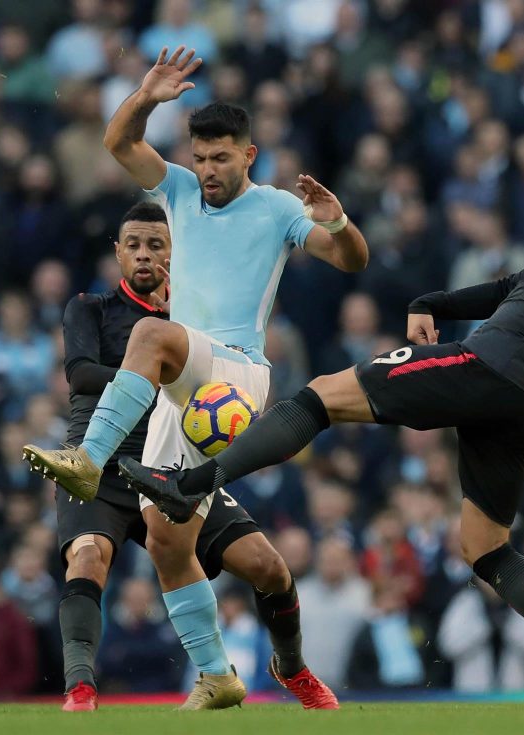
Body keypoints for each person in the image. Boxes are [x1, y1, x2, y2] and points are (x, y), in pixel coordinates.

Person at [120, 112, 524, 708]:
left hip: (491, 367)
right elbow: (517, 288)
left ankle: (190, 483)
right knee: (484, 547)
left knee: (321, 395)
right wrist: (434, 300)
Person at [24, 46, 367, 709]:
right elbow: (118, 140)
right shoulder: (177, 190)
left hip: (236, 375)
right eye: (201, 157)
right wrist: (147, 95)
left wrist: (339, 221)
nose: (208, 170)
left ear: (249, 154)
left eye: (221, 157)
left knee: (152, 334)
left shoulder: (274, 209)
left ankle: (88, 461)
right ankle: (219, 673)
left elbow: (349, 260)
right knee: (170, 540)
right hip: (183, 394)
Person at [48, 203, 334, 711]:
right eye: (133, 244)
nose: (143, 255)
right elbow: (82, 376)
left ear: (176, 253)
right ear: (117, 252)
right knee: (87, 556)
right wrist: (154, 369)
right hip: (104, 465)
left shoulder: (196, 324)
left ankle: (293, 669)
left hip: (171, 467)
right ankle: (81, 688)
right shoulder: (90, 309)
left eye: (156, 245)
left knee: (268, 567)